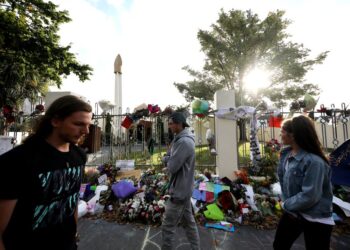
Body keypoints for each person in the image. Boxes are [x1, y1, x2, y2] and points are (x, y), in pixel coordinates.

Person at [0, 95, 92, 250]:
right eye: (78, 124)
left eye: (88, 125)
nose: (86, 131)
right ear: (55, 121)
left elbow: (72, 199)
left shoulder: (78, 156)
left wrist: (73, 234)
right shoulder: (17, 161)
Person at [273, 115, 334, 250]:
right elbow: (285, 182)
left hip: (316, 217)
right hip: (294, 212)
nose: (280, 134)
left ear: (293, 135)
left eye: (282, 131)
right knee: (279, 245)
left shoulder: (314, 162)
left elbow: (310, 196)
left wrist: (286, 204)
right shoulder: (286, 154)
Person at [161, 112, 200, 250]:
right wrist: (169, 156)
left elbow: (172, 166)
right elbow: (171, 156)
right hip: (184, 188)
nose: (169, 126)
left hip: (179, 191)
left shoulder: (183, 142)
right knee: (189, 224)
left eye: (171, 123)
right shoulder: (180, 139)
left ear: (179, 124)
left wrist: (165, 159)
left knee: (167, 227)